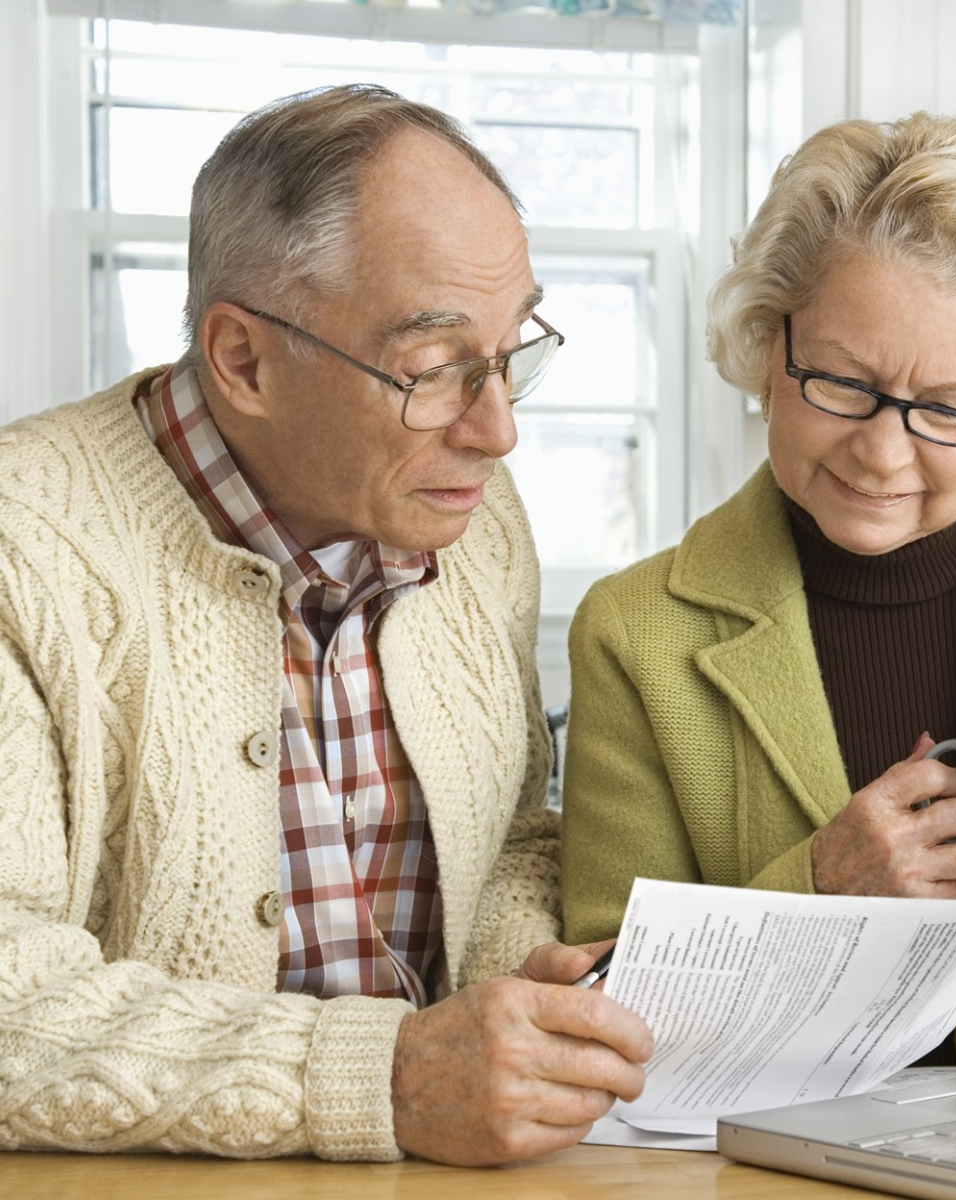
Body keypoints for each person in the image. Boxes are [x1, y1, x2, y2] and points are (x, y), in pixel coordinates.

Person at [0, 84, 651, 1165]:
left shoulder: (476, 528)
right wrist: (383, 1078)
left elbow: (508, 841)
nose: (497, 432)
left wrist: (515, 989)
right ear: (244, 359)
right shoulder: (26, 544)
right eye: (438, 369)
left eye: (512, 352)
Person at [561, 112, 956, 1071]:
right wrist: (820, 892)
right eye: (843, 382)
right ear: (769, 345)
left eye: (947, 409)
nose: (882, 452)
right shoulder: (636, 632)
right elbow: (600, 1012)